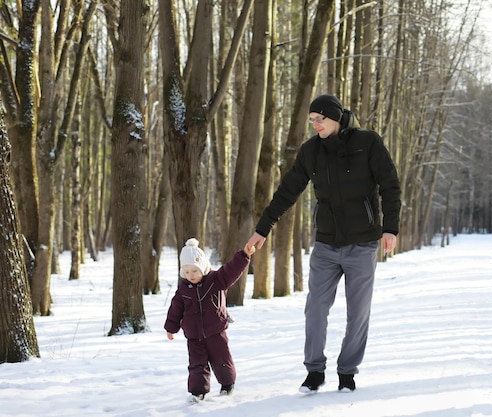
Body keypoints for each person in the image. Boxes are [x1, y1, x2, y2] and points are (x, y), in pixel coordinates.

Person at [246, 94, 401, 393]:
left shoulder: (367, 143)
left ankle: (347, 372)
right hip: (327, 245)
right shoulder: (310, 151)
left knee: (358, 311)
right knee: (315, 306)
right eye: (312, 120)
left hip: (363, 243)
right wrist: (262, 229)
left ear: (336, 117)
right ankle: (314, 371)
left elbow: (390, 184)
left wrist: (390, 228)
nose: (316, 125)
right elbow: (287, 191)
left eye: (321, 119)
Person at [164, 237, 255, 403]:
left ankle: (227, 385)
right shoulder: (183, 289)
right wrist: (171, 328)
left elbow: (231, 270)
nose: (191, 275)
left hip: (215, 331)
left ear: (203, 267)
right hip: (194, 336)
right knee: (197, 365)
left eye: (194, 270)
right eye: (187, 271)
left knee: (221, 359)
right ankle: (198, 392)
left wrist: (244, 255)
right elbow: (175, 309)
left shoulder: (216, 280)